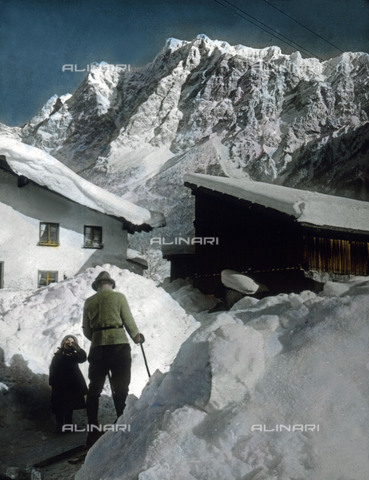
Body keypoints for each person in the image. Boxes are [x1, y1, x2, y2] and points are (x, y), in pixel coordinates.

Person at [82, 271, 144, 446]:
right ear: (110, 284)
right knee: (121, 387)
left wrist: (97, 338)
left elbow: (86, 329)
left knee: (94, 389)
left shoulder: (89, 301)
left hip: (97, 348)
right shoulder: (119, 297)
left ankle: (92, 431)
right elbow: (128, 320)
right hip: (119, 346)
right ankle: (121, 425)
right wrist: (136, 336)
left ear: (97, 285)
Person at [49, 335, 87, 433]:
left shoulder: (74, 355)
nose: (69, 344)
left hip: (71, 384)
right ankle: (59, 427)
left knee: (69, 406)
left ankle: (68, 427)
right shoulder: (58, 355)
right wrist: (52, 382)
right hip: (60, 384)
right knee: (59, 407)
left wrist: (77, 349)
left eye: (72, 342)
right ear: (63, 342)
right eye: (67, 341)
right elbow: (52, 369)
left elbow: (83, 358)